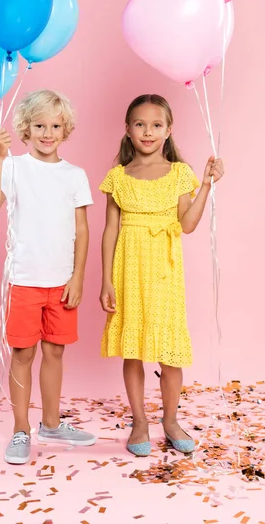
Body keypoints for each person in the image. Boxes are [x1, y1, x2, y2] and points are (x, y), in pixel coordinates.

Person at [99, 94, 224, 457]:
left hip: (165, 273)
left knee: (170, 354)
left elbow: (187, 225)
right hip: (128, 269)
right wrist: (106, 279)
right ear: (128, 129)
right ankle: (140, 421)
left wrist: (206, 185)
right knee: (133, 350)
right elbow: (110, 231)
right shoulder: (118, 177)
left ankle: (170, 420)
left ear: (169, 130)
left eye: (156, 125)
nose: (148, 131)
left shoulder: (179, 173)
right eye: (140, 124)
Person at [0, 89, 97, 464]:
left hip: (61, 281)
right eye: (39, 125)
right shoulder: (14, 167)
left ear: (66, 130)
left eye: (55, 126)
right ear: (25, 129)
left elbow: (83, 230)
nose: (48, 133)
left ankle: (50, 422)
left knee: (55, 350)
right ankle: (20, 429)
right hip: (24, 279)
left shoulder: (74, 175)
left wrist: (78, 277)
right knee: (22, 353)